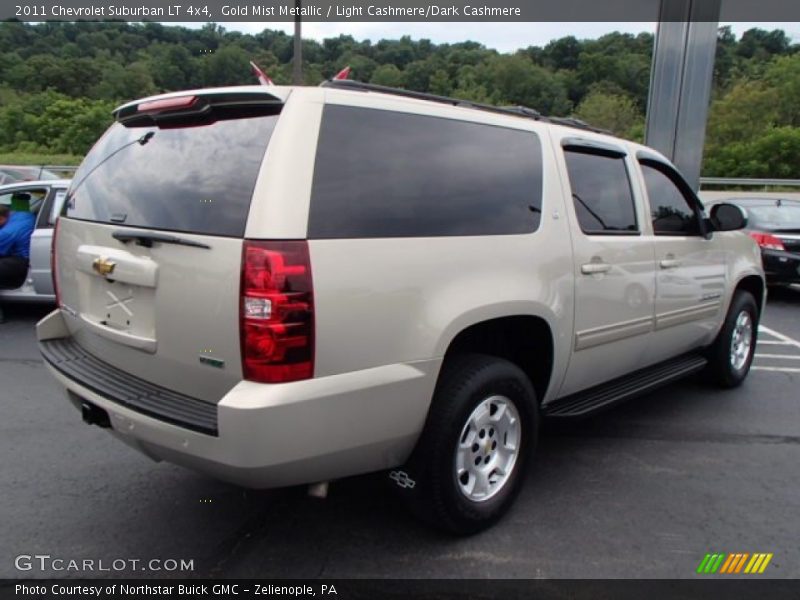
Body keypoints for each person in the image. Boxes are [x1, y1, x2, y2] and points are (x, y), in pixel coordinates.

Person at [0, 196, 36, 322]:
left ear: (2, 218)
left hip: (20, 260)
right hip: (26, 256)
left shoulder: (7, 232)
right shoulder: (22, 215)